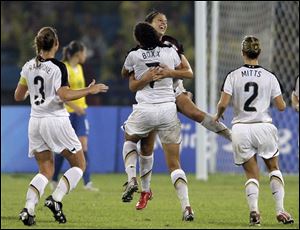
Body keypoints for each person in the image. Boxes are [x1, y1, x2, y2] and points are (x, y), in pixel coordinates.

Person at [121, 10, 232, 211]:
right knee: (146, 148)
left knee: (196, 114)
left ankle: (233, 137)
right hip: (158, 100)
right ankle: (146, 192)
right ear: (148, 25)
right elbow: (132, 80)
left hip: (173, 90)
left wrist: (169, 73)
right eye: (159, 21)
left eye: (165, 21)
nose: (163, 24)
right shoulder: (138, 50)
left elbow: (188, 71)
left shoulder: (171, 44)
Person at [15, 27, 108, 226]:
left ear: (38, 45)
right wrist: (89, 90)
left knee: (45, 170)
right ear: (56, 45)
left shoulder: (28, 66)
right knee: (79, 164)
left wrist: (31, 91)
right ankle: (55, 199)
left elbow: (18, 95)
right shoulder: (58, 67)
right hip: (55, 120)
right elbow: (64, 95)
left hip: (35, 122)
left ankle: (28, 209)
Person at [213, 35, 294, 226]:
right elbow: (281, 106)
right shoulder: (270, 76)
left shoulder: (233, 75)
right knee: (273, 168)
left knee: (251, 175)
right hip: (264, 127)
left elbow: (223, 103)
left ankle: (254, 211)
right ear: (259, 52)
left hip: (241, 129)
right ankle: (280, 210)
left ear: (243, 53)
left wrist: (218, 114)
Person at [121, 22, 194, 221]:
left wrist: (143, 73)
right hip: (168, 110)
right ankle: (186, 207)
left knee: (129, 139)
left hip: (145, 110)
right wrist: (169, 72)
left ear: (138, 39)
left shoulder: (134, 55)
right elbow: (185, 70)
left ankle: (131, 179)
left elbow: (124, 74)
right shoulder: (169, 51)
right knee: (174, 164)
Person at [50, 40, 98, 192]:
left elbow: (79, 90)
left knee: (83, 146)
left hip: (80, 113)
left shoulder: (79, 68)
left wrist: (86, 94)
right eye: (84, 52)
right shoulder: (63, 68)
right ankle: (54, 178)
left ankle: (87, 182)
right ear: (78, 54)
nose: (85, 55)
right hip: (66, 113)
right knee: (63, 148)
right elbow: (60, 94)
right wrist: (74, 106)